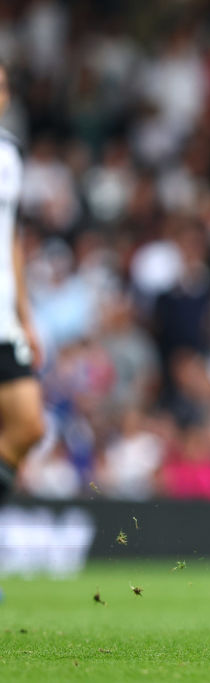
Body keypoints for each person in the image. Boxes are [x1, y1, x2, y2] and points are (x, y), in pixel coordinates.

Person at [0, 63, 47, 507]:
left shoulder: (9, 155)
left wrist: (25, 317)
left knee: (30, 426)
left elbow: (10, 238)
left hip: (4, 319)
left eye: (1, 87)